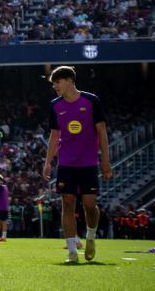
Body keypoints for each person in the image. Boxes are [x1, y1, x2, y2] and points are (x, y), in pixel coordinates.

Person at [43, 65, 112, 264]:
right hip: (66, 163)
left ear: (69, 81)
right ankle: (72, 251)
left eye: (57, 82)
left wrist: (105, 161)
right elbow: (54, 135)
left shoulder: (91, 101)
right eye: (53, 83)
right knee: (67, 202)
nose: (55, 86)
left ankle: (90, 236)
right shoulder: (55, 105)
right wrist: (48, 162)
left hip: (89, 163)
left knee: (90, 206)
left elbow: (102, 132)